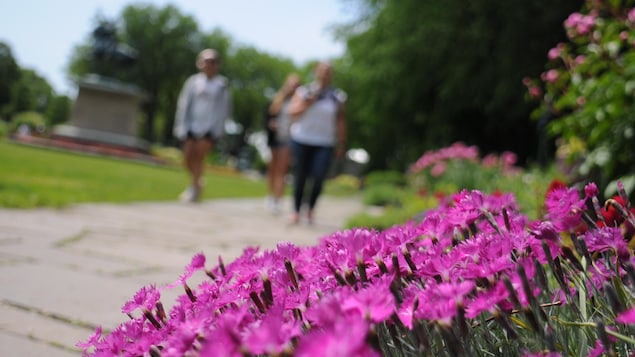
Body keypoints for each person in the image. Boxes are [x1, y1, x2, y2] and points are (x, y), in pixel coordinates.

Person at [288, 62, 347, 224]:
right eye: (322, 70)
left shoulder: (337, 95)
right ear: (316, 72)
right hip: (302, 139)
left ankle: (311, 208)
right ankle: (296, 210)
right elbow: (292, 112)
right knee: (300, 176)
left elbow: (341, 120)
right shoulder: (304, 91)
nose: (325, 73)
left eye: (329, 71)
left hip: (325, 142)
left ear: (332, 74)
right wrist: (308, 103)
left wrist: (341, 142)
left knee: (319, 176)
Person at [173, 49, 232, 202]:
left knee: (199, 157)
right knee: (187, 157)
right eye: (206, 61)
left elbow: (225, 109)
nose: (208, 64)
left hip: (209, 128)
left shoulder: (221, 85)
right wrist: (181, 125)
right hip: (191, 125)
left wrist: (219, 129)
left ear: (217, 65)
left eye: (212, 61)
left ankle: (193, 189)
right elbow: (183, 104)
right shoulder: (193, 82)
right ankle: (198, 181)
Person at [264, 73, 301, 214]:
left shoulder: (299, 102)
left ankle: (277, 199)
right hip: (275, 138)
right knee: (272, 169)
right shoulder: (278, 99)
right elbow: (268, 115)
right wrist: (271, 124)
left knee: (282, 170)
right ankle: (271, 194)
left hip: (290, 139)